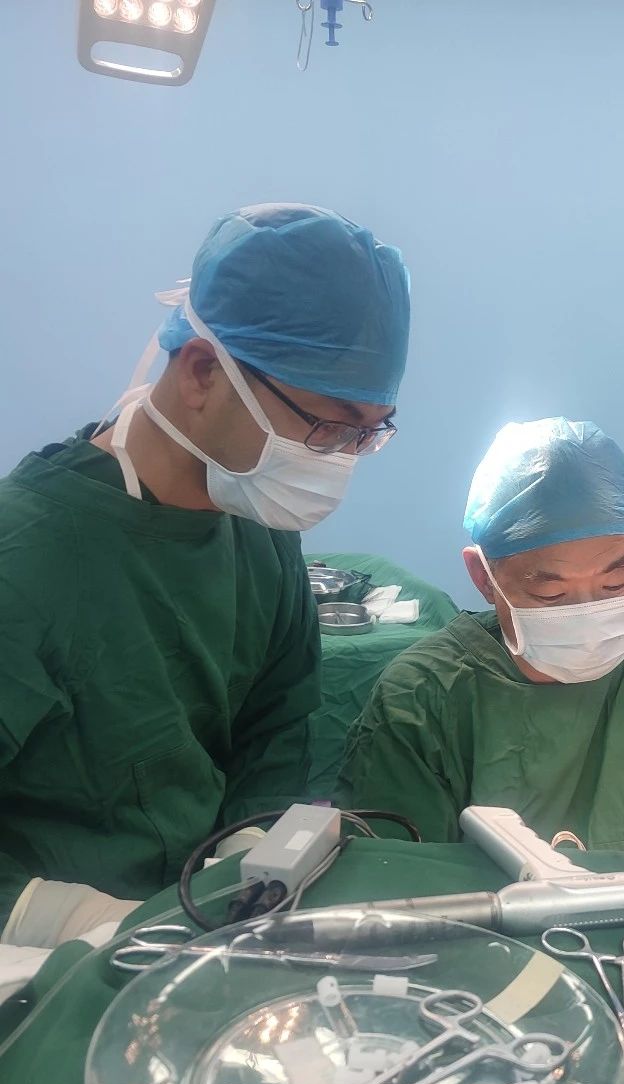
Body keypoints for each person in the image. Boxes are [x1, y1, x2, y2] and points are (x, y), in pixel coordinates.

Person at [0, 203, 411, 948]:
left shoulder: (259, 527)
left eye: (368, 433)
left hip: (205, 930)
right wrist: (59, 918)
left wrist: (246, 856)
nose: (340, 459)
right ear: (201, 372)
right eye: (327, 426)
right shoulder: (25, 559)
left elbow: (278, 729)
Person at [339, 417, 624, 849]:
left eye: (616, 584)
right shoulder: (421, 702)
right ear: (483, 577)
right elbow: (397, 873)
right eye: (551, 594)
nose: (588, 613)